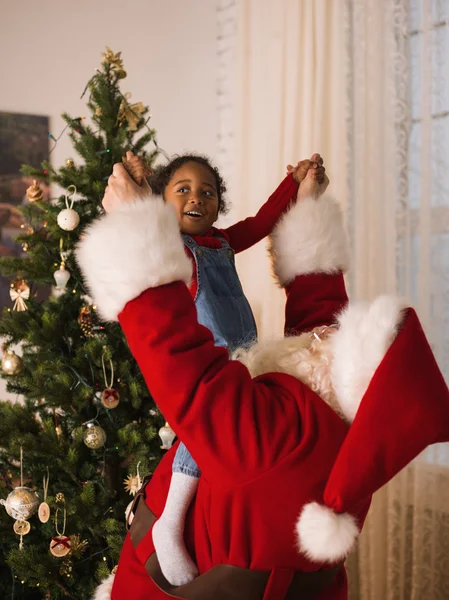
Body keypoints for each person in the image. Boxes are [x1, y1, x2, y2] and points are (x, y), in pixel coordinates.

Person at [77, 167, 449, 600]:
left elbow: (182, 367)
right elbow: (318, 321)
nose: (331, 332)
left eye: (344, 339)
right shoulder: (334, 420)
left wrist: (132, 227)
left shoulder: (277, 438)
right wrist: (304, 205)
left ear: (347, 376)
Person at [119, 151, 326, 586]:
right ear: (163, 202)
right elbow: (143, 243)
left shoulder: (223, 242)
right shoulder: (173, 245)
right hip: (206, 358)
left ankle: (195, 516)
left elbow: (263, 221)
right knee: (199, 436)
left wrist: (294, 184)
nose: (197, 198)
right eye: (183, 190)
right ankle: (170, 522)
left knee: (230, 447)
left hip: (242, 354)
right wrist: (140, 196)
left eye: (208, 191)